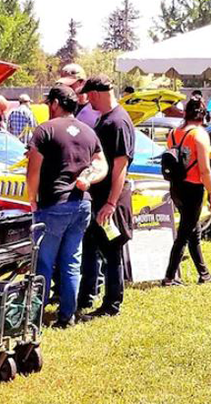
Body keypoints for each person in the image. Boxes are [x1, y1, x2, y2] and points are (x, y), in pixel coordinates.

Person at [26, 86, 108, 328]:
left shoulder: (45, 130)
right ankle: (67, 316)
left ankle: (34, 318)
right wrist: (88, 179)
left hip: (53, 205)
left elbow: (33, 170)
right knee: (72, 260)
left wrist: (32, 198)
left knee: (43, 262)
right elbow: (101, 165)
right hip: (81, 205)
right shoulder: (88, 132)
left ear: (55, 103)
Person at [76, 77, 137, 317]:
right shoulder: (105, 118)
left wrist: (111, 203)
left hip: (112, 200)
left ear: (99, 93)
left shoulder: (118, 122)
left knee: (112, 252)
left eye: (89, 95)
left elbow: (120, 166)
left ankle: (112, 304)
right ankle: (86, 298)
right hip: (97, 197)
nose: (87, 100)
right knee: (92, 247)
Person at [162, 96, 211, 286]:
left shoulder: (173, 133)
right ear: (203, 115)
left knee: (193, 231)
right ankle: (169, 277)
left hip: (176, 187)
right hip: (193, 188)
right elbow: (204, 169)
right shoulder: (199, 134)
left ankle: (204, 274)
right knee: (184, 234)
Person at [56, 64, 100, 128]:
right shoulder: (63, 108)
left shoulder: (96, 109)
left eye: (70, 85)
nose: (65, 88)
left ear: (82, 82)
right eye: (63, 85)